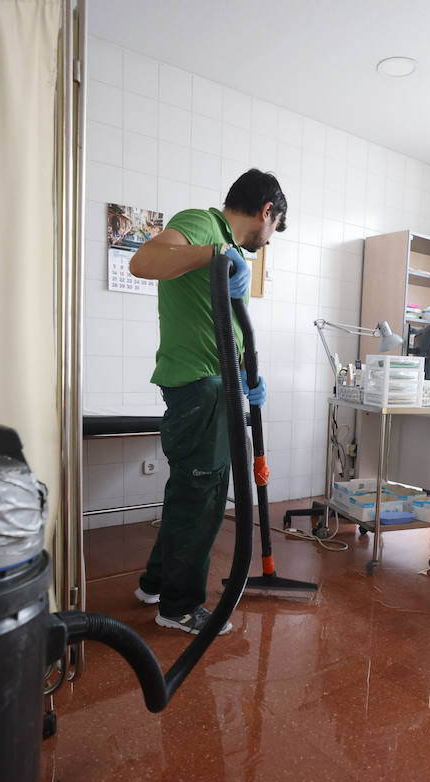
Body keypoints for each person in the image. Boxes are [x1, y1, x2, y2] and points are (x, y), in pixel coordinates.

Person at [127, 169, 286, 635]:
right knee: (203, 497)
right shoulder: (204, 225)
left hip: (217, 384)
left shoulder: (232, 252)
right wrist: (218, 254)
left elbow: (226, 328)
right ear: (266, 211)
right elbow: (143, 260)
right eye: (275, 228)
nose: (270, 239)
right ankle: (178, 607)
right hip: (202, 387)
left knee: (190, 492)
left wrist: (246, 380)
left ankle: (156, 584)